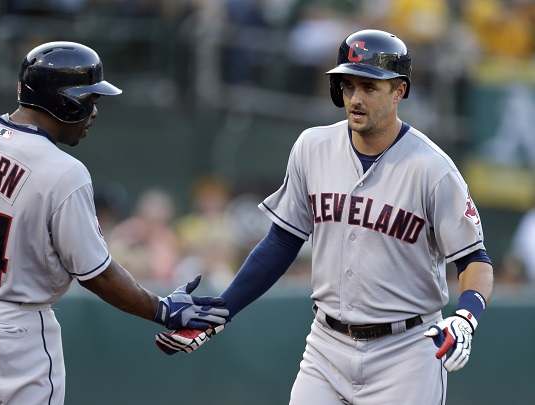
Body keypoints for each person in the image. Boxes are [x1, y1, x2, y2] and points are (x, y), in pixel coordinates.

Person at [155, 29, 494, 405]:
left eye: (369, 86)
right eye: (347, 86)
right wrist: (224, 308)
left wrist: (465, 317)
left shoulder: (434, 170)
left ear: (399, 91)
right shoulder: (311, 147)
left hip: (407, 350)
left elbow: (473, 259)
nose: (355, 98)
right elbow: (282, 241)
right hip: (326, 345)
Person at [0, 41, 228, 405]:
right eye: (91, 99)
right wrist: (161, 309)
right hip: (12, 327)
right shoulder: (64, 171)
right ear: (65, 101)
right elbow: (97, 273)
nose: (94, 112)